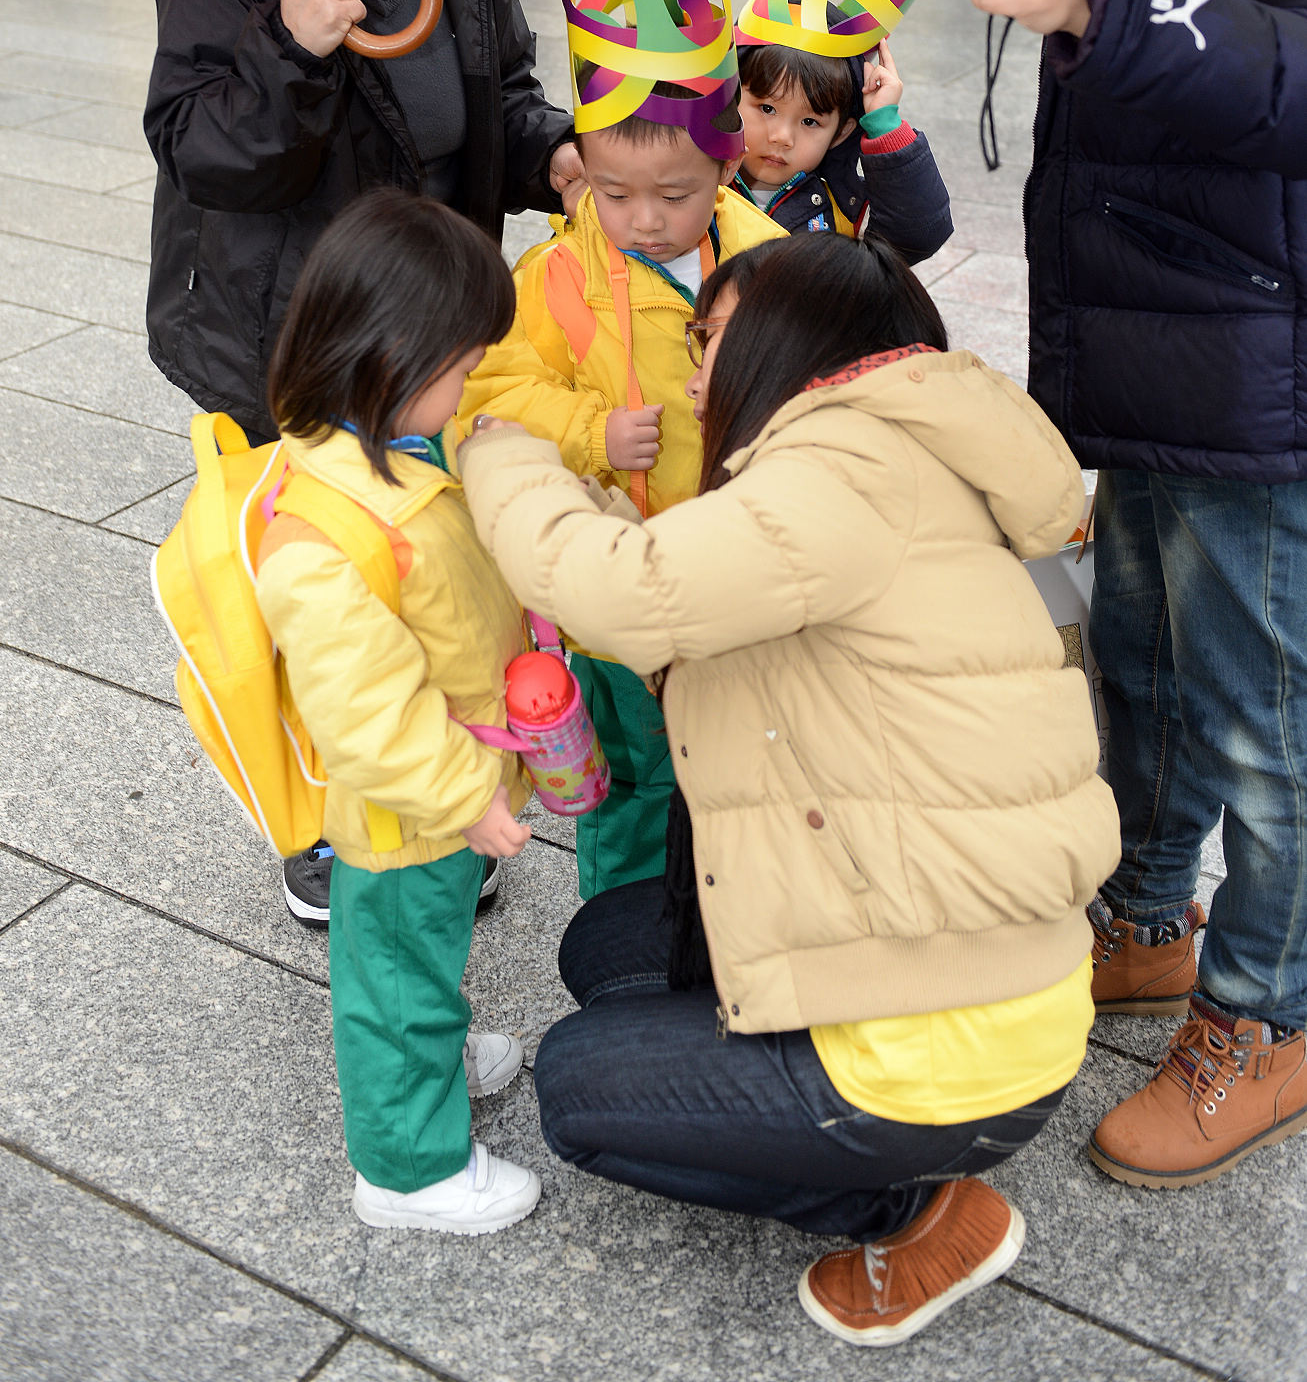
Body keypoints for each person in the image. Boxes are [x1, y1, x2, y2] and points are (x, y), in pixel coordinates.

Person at [456, 230, 1118, 1346]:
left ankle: (910, 1211)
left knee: (575, 1089)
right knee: (606, 949)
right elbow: (698, 621)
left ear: (797, 339)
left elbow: (628, 594)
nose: (694, 378)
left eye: (711, 340)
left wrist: (502, 455)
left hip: (948, 1037)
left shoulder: (845, 468)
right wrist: (598, 508)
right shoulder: (892, 456)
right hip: (978, 964)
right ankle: (825, 1110)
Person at [909, 0, 1307, 1188]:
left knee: (1259, 715)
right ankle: (1145, 916)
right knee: (1135, 662)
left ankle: (1267, 1011)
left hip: (1250, 357)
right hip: (1143, 331)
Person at [146, 0, 579, 927]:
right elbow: (204, 155)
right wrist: (290, 46)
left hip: (426, 337)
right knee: (322, 594)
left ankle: (441, 791)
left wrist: (552, 152)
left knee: (425, 578)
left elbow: (498, 93)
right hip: (293, 338)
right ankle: (328, 825)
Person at [253, 190, 540, 1234]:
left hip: (444, 794)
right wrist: (468, 799)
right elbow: (368, 715)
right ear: (390, 359)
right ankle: (408, 1168)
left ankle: (439, 1052)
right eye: (461, 369)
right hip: (407, 812)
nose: (468, 389)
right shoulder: (321, 534)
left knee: (427, 954)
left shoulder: (394, 448)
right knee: (394, 979)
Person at [457, 75, 782, 899]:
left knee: (735, 762)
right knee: (637, 779)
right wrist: (590, 430)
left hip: (735, 577)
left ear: (727, 167)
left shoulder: (767, 257)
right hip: (620, 588)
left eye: (673, 196)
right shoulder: (556, 277)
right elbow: (487, 395)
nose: (643, 219)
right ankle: (626, 929)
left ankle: (722, 913)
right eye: (613, 193)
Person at [735, 37, 952, 260]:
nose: (782, 137)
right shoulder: (711, 189)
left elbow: (917, 239)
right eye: (767, 109)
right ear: (731, 98)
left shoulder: (844, 210)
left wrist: (884, 123)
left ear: (841, 132)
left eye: (810, 122)